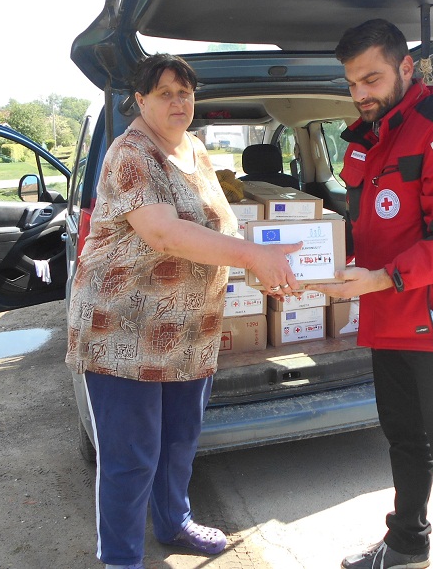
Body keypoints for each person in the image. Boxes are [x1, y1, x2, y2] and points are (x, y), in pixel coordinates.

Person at [65, 53, 301, 569]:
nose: (178, 102)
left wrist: (263, 271)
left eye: (186, 93)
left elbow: (219, 228)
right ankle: (121, 558)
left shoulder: (194, 148)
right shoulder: (131, 153)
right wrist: (252, 257)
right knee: (131, 457)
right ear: (140, 100)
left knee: (178, 442)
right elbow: (165, 233)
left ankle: (174, 522)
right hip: (124, 332)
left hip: (190, 330)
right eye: (165, 93)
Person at [319, 19, 433, 569]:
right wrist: (318, 263)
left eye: (371, 79)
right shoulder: (369, 136)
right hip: (387, 314)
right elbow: (370, 229)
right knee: (402, 440)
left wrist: (380, 278)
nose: (360, 94)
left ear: (405, 67)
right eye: (352, 83)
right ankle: (406, 545)